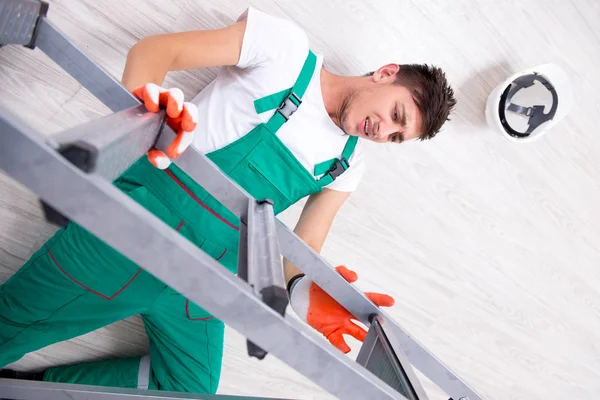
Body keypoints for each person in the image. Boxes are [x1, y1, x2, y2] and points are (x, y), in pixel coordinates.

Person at [0, 6, 456, 395]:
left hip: (206, 282)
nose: (383, 130)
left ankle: (29, 388)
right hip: (132, 228)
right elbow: (156, 51)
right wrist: (142, 112)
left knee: (186, 389)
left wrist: (308, 292)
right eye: (396, 114)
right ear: (386, 73)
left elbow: (301, 250)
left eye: (397, 136)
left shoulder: (349, 163)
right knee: (7, 327)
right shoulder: (287, 51)